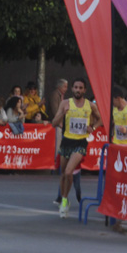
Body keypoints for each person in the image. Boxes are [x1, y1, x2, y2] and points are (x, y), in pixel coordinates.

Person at [51, 78, 102, 218]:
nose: (78, 90)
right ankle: (64, 199)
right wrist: (62, 113)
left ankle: (65, 199)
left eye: (80, 88)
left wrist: (93, 127)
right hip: (67, 141)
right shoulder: (65, 103)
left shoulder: (90, 105)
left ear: (84, 90)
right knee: (63, 174)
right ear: (72, 89)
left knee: (68, 172)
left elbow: (100, 118)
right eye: (75, 87)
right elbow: (53, 123)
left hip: (81, 142)